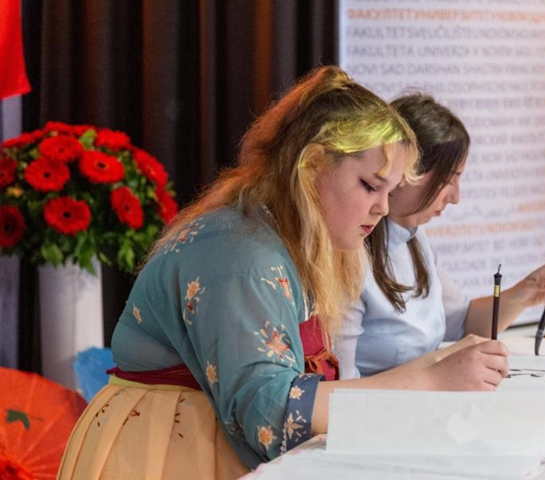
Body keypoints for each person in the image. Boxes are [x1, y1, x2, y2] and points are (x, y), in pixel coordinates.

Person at [58, 68, 510, 480]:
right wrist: (428, 381)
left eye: (390, 191)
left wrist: (432, 368)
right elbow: (271, 412)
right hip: (167, 456)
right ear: (311, 166)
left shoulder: (284, 238)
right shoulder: (240, 254)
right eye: (371, 186)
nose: (382, 208)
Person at [335, 93, 545, 379]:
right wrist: (440, 365)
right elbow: (340, 389)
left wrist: (528, 291)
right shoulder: (348, 253)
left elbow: (462, 322)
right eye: (449, 180)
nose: (455, 197)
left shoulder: (415, 239)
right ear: (406, 172)